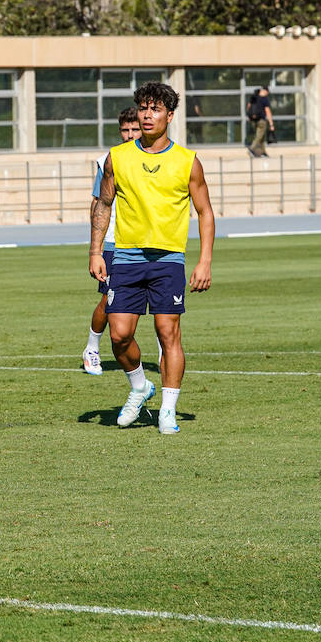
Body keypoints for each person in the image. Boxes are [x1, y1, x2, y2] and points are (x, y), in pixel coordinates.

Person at [90, 82, 214, 434]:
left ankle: (168, 410)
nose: (147, 115)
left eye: (155, 109)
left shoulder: (188, 162)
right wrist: (95, 251)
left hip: (168, 260)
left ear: (169, 116)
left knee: (167, 332)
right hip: (126, 258)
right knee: (119, 335)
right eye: (143, 108)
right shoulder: (117, 157)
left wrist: (204, 261)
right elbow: (103, 204)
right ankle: (141, 387)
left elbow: (205, 212)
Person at [81, 107, 141, 375]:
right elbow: (97, 203)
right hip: (116, 242)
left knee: (159, 308)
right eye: (125, 130)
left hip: (148, 241)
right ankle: (92, 347)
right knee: (110, 300)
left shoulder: (158, 158)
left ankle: (165, 356)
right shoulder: (109, 159)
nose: (129, 135)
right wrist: (96, 247)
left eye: (135, 129)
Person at [246, 86, 274, 157]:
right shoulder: (264, 99)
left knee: (261, 136)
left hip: (253, 121)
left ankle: (263, 152)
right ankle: (251, 149)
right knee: (259, 136)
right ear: (265, 91)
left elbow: (248, 107)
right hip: (261, 120)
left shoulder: (254, 97)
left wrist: (249, 116)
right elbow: (267, 111)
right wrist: (271, 124)